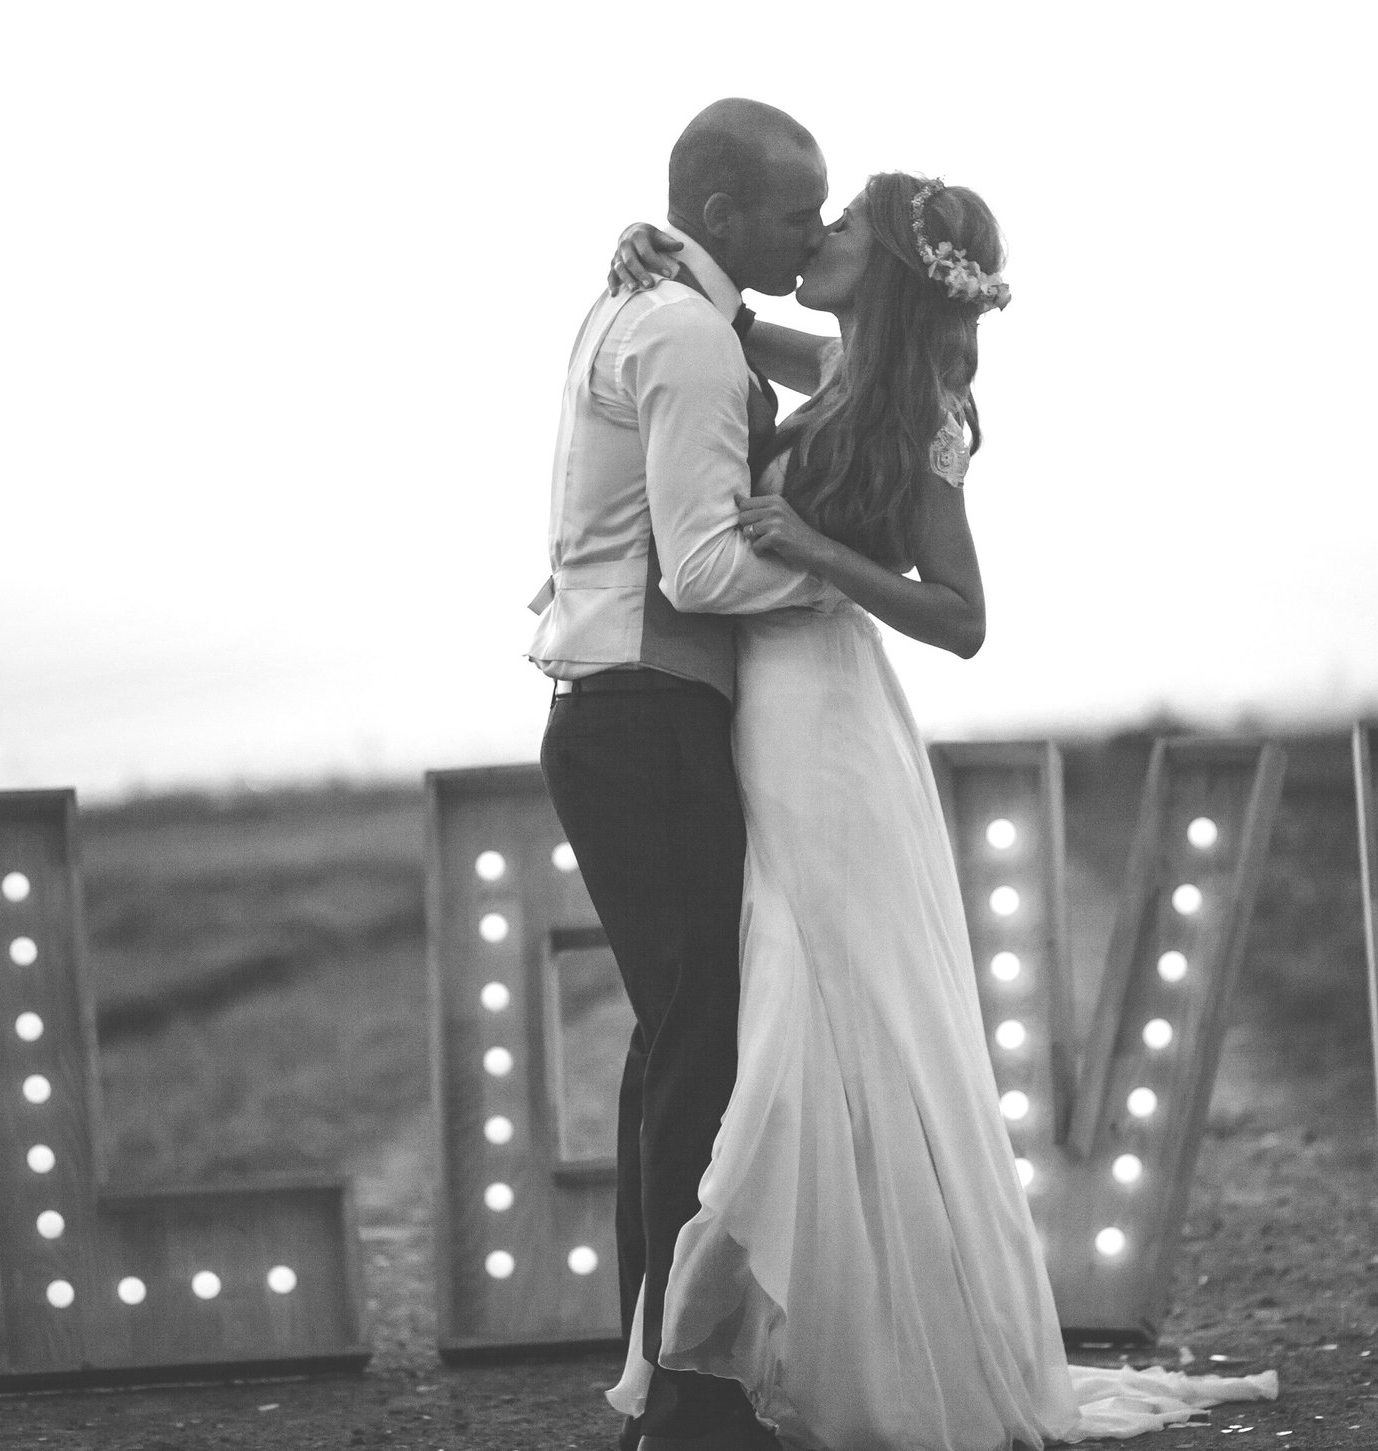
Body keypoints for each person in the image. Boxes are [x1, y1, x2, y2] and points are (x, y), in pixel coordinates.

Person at [598, 176, 1279, 1449]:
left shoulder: (924, 412)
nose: (823, 234)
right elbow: (729, 330)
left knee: (822, 1006)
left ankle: (795, 1341)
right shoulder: (843, 367)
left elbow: (961, 618)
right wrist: (652, 252)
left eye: (845, 222)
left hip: (829, 726)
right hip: (765, 710)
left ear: (896, 268)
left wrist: (814, 548)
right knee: (793, 1009)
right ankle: (793, 1334)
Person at [526, 98, 839, 1451]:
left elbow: (845, 372)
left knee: (680, 1044)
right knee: (695, 1046)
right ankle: (688, 1397)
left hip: (632, 719)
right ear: (719, 213)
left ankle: (669, 1372)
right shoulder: (686, 338)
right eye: (791, 210)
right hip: (647, 719)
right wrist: (850, 579)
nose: (812, 232)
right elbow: (703, 565)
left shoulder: (676, 317)